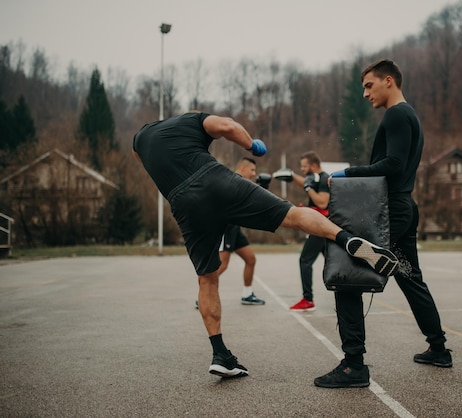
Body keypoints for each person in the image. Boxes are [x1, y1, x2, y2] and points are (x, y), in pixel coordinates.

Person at [132, 111, 399, 379]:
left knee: (207, 279)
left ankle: (220, 354)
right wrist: (251, 145)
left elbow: (144, 161)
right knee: (292, 215)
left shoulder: (139, 141)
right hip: (214, 181)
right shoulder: (187, 120)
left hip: (184, 204)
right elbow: (227, 126)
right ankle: (345, 238)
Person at [314, 59, 451, 389]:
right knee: (407, 275)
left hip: (391, 212)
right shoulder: (408, 115)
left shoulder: (397, 114)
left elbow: (392, 164)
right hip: (403, 208)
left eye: (369, 85)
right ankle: (438, 347)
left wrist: (346, 173)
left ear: (388, 81)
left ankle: (353, 365)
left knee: (347, 275)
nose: (364, 93)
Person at [194, 157, 266, 307]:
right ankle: (202, 295)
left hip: (234, 228)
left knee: (250, 259)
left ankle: (247, 295)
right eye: (252, 170)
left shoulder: (240, 182)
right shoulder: (232, 181)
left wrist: (263, 189)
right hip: (225, 228)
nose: (254, 173)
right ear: (243, 168)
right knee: (223, 264)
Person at [274, 151, 330, 312]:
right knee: (332, 261)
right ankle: (344, 290)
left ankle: (308, 299)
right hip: (321, 226)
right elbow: (307, 182)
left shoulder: (324, 178)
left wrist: (308, 188)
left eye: (304, 167)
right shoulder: (316, 178)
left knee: (305, 261)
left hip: (319, 227)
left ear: (313, 166)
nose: (302, 169)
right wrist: (292, 176)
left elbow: (323, 203)